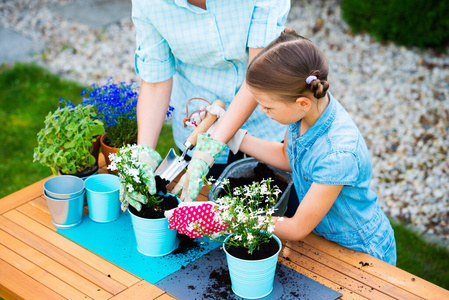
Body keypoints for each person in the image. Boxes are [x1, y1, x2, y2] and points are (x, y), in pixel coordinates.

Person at [172, 29, 397, 265]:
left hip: (360, 248)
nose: (261, 111)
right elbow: (287, 157)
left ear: (302, 103)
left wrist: (229, 217)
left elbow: (296, 227)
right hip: (325, 236)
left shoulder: (338, 154)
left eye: (268, 107)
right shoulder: (308, 109)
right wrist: (233, 137)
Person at [119, 0, 291, 210]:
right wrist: (143, 153)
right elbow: (156, 82)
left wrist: (213, 144)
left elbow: (257, 75)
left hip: (265, 128)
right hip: (199, 128)